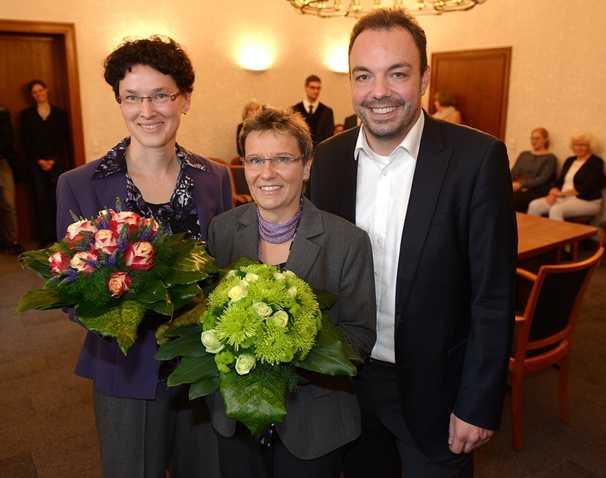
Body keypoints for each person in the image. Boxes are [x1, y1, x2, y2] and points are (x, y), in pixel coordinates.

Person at [311, 8, 517, 478]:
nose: (379, 91)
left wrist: (478, 401)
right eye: (364, 75)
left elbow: (493, 296)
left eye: (397, 73)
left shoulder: (477, 158)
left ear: (424, 78)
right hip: (349, 386)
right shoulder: (330, 158)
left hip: (437, 393)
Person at [55, 35, 232, 478]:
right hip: (125, 368)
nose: (146, 110)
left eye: (161, 95)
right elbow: (68, 287)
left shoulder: (215, 177)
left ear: (185, 99)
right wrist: (120, 312)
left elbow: (227, 267)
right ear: (119, 101)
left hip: (203, 366)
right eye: (132, 97)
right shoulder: (79, 184)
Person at [205, 105, 376, 478]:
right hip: (237, 418)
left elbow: (359, 337)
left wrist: (286, 351)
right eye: (255, 160)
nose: (267, 173)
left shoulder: (347, 241)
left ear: (307, 165)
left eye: (282, 159)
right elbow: (208, 317)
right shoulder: (222, 230)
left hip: (314, 422)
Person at [20, 79, 69, 247]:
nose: (38, 94)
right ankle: (44, 236)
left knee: (57, 199)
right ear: (31, 96)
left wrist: (53, 160)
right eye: (34, 92)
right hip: (36, 164)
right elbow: (26, 140)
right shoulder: (27, 115)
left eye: (40, 90)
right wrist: (39, 160)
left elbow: (62, 139)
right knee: (41, 200)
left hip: (56, 162)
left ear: (46, 90)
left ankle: (58, 235)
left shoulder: (59, 114)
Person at [527, 132, 604, 220]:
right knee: (534, 205)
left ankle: (556, 230)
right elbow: (559, 181)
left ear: (590, 147)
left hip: (587, 201)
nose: (579, 148)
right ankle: (536, 229)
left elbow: (588, 186)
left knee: (556, 210)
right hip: (564, 198)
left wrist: (562, 194)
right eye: (576, 144)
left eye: (583, 145)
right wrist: (552, 194)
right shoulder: (570, 160)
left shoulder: (596, 162)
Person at [511, 127, 558, 212]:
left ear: (545, 140)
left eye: (537, 138)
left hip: (537, 190)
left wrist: (521, 185)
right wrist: (510, 183)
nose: (534, 141)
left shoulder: (550, 158)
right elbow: (514, 172)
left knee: (512, 199)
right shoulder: (524, 155)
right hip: (517, 186)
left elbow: (543, 179)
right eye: (532, 138)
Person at [0, 103, 25, 255]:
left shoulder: (2, 112)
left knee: (8, 205)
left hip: (2, 163)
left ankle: (11, 241)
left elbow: (8, 138)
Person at [291, 75, 335, 148]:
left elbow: (329, 136)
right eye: (312, 87)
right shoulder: (295, 110)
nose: (316, 91)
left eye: (318, 88)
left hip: (321, 150)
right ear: (305, 88)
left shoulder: (327, 111)